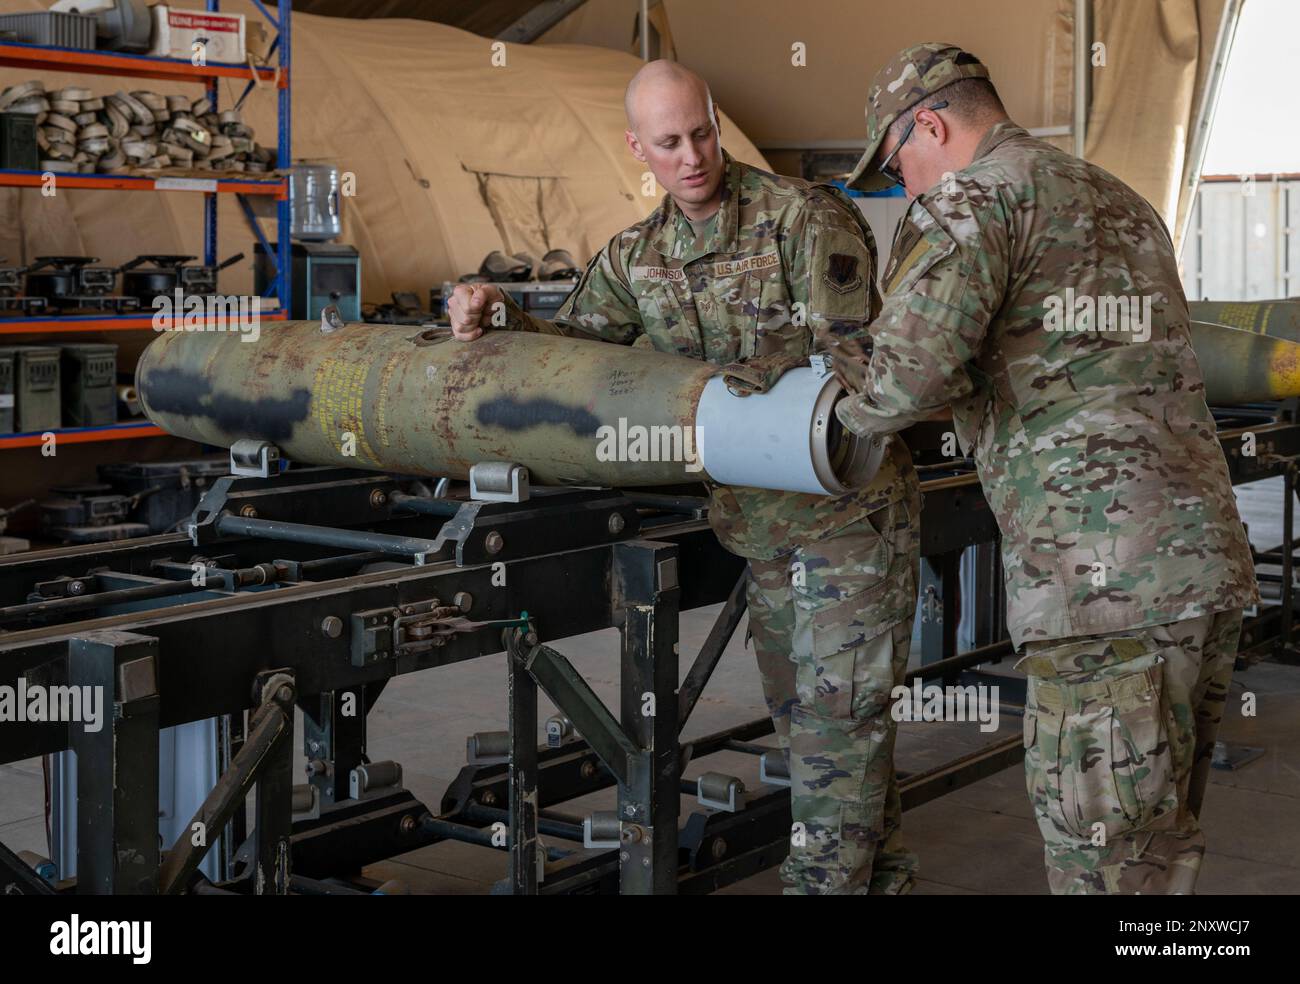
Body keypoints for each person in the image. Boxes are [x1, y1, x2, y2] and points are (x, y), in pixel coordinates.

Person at [448, 60, 921, 894]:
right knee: (808, 721)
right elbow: (577, 356)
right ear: (638, 148)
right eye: (668, 143)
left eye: (700, 133)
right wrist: (498, 319)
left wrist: (730, 378)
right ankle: (870, 872)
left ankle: (829, 883)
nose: (692, 156)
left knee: (839, 722)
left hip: (847, 512)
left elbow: (860, 357)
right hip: (762, 527)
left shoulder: (803, 217)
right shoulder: (638, 256)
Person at [831, 42, 1258, 894]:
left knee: (1103, 868)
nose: (904, 187)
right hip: (1203, 568)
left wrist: (826, 378)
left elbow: (901, 380)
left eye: (895, 167)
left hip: (1100, 591)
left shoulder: (973, 200)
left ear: (931, 123)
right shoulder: (1122, 199)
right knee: (1158, 858)